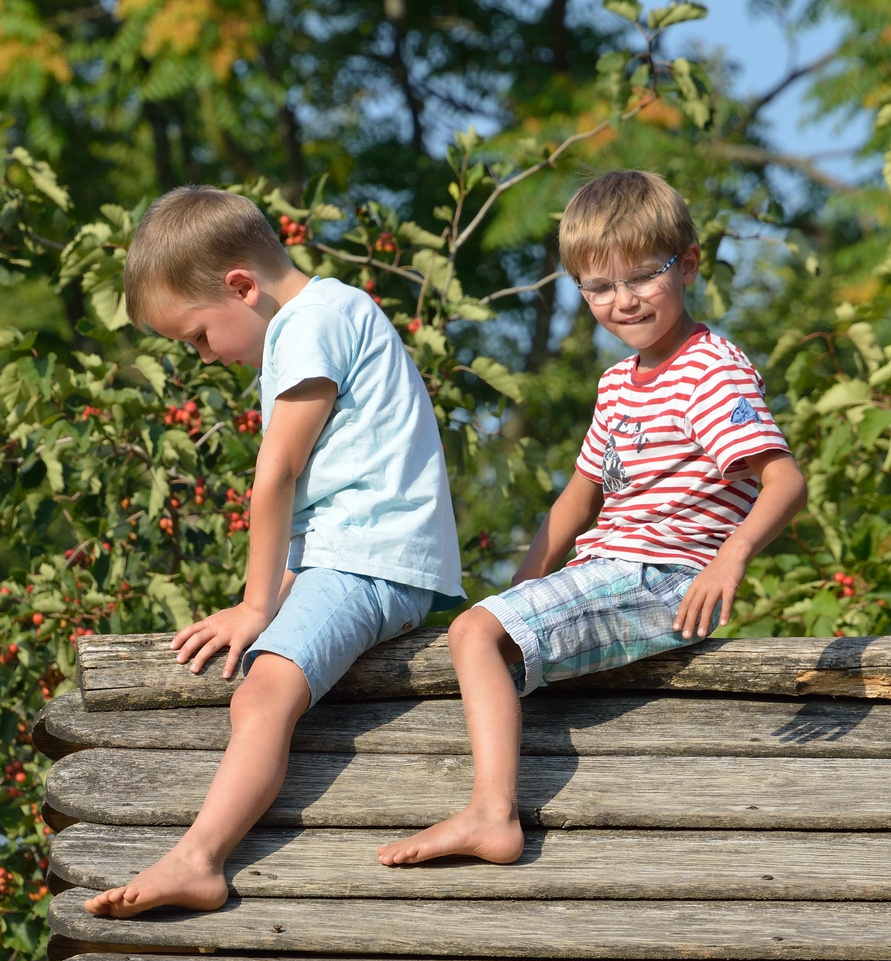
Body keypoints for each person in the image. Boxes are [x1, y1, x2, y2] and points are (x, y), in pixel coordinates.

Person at [377, 169, 808, 868]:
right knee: (480, 636)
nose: (621, 300)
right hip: (611, 570)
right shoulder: (617, 381)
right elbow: (576, 502)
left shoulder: (710, 370)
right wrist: (513, 594)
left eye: (641, 277)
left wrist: (731, 557)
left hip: (662, 577)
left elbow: (784, 482)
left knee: (471, 635)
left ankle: (492, 815)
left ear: (689, 264)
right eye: (598, 287)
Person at [84, 186, 464, 917]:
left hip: (367, 562)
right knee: (255, 663)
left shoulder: (310, 323)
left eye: (197, 336)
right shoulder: (333, 311)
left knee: (262, 690)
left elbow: (277, 476)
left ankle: (198, 858)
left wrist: (259, 604)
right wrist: (282, 587)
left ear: (240, 287)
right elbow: (331, 494)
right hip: (354, 555)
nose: (199, 357)